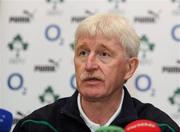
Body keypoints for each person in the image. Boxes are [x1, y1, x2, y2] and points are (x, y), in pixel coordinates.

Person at [13, 12, 179, 132]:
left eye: (104, 54)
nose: (89, 65)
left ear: (129, 68)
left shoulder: (160, 127)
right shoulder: (36, 126)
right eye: (83, 53)